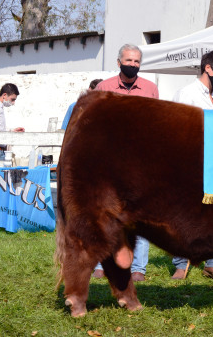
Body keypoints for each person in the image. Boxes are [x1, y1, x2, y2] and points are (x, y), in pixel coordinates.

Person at [92, 44, 159, 282]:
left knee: (138, 216)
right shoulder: (104, 87)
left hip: (139, 163)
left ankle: (138, 267)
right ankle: (102, 263)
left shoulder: (150, 89)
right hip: (109, 162)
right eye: (129, 61)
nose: (133, 65)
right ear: (119, 62)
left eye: (137, 62)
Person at [170, 50, 213, 280]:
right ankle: (180, 263)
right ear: (208, 68)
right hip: (191, 161)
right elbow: (179, 128)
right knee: (185, 213)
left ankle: (212, 262)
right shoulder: (186, 93)